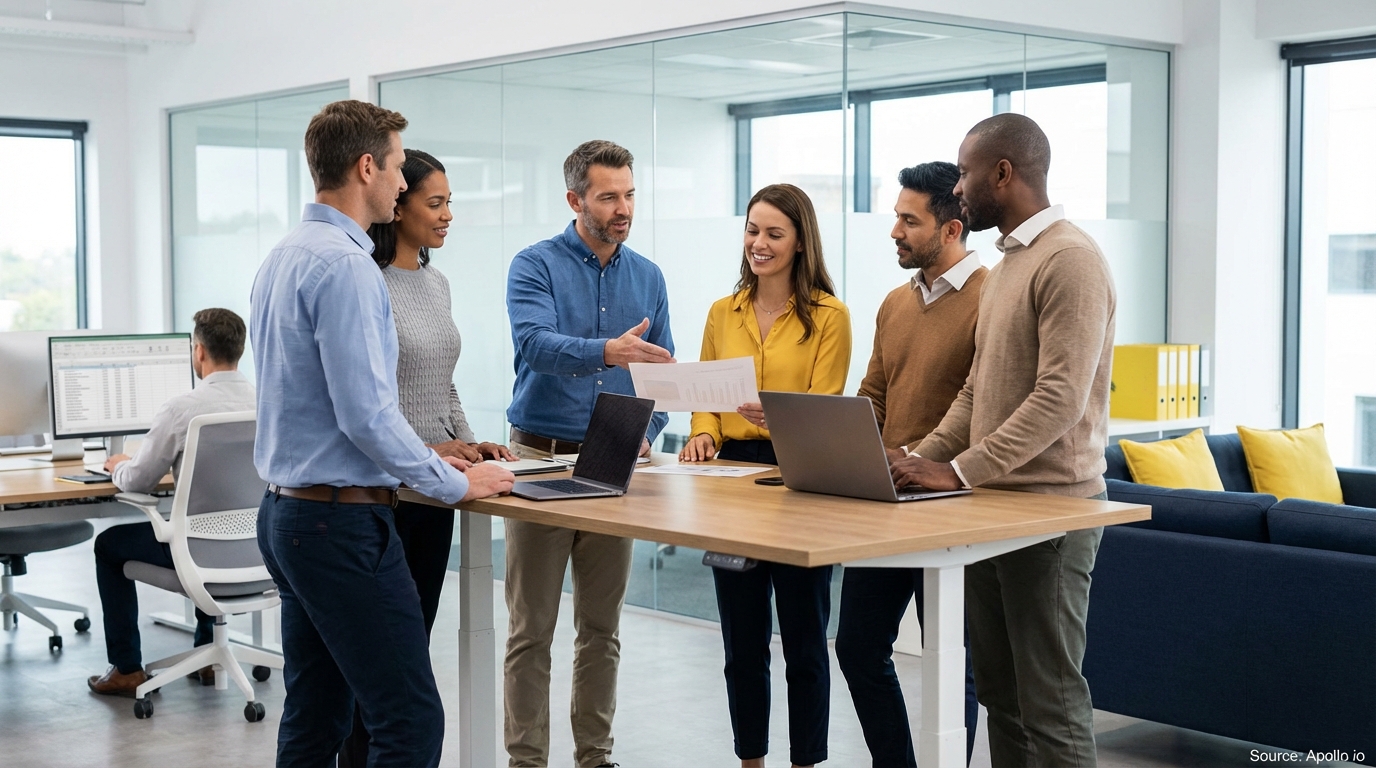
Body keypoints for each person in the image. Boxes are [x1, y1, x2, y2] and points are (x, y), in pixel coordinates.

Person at [251, 100, 515, 768]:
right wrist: (455, 483)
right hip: (340, 526)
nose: (402, 185)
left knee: (318, 714)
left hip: (287, 513)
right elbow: (366, 414)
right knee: (409, 719)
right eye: (398, 168)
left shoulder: (283, 254)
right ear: (366, 166)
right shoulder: (347, 268)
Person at [891, 113, 1117, 767]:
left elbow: (1059, 399)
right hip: (992, 510)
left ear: (1002, 173)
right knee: (999, 695)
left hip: (1052, 514)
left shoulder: (1071, 260)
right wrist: (918, 461)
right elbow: (977, 395)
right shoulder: (1009, 264)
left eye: (964, 173)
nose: (957, 187)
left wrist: (958, 472)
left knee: (1049, 702)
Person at [337, 148, 517, 767]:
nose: (447, 216)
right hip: (390, 489)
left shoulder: (435, 282)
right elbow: (373, 400)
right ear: (397, 205)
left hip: (437, 487)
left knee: (411, 639)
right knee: (384, 671)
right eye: (434, 203)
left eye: (449, 203)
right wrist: (430, 449)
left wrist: (471, 442)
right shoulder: (367, 281)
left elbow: (441, 381)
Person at [503, 139, 673, 768]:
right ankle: (527, 761)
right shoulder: (535, 265)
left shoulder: (648, 276)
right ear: (575, 200)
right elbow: (536, 346)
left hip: (613, 461)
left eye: (629, 194)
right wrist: (607, 351)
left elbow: (660, 376)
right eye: (608, 196)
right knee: (532, 630)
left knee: (601, 630)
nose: (623, 207)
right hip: (539, 458)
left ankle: (595, 757)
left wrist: (643, 436)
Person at [679, 183, 851, 768]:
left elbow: (823, 408)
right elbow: (705, 389)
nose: (759, 243)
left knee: (805, 639)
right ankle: (750, 759)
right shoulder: (720, 312)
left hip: (800, 476)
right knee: (741, 641)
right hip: (731, 476)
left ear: (801, 242)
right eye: (753, 230)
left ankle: (807, 760)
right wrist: (703, 429)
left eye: (774, 233)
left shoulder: (830, 316)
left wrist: (774, 418)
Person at [833, 161, 986, 766]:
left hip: (953, 505)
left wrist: (926, 457)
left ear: (951, 228)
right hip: (889, 500)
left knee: (955, 662)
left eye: (908, 220)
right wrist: (827, 432)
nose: (894, 231)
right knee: (858, 647)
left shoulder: (992, 296)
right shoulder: (896, 302)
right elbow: (874, 397)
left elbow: (985, 406)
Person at [85, 308, 256, 697]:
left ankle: (127, 669)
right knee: (205, 522)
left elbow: (139, 480)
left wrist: (119, 465)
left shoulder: (182, 409)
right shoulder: (266, 402)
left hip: (197, 555)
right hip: (255, 553)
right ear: (240, 350)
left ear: (198, 351)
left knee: (108, 544)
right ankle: (208, 656)